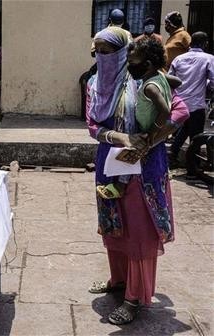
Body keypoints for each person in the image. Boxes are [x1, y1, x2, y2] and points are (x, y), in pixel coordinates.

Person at [86, 27, 175, 325]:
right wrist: (119, 137)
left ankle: (134, 297)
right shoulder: (95, 83)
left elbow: (178, 110)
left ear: (123, 52)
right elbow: (92, 125)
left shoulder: (142, 81)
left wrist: (148, 140)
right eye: (97, 51)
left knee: (138, 232)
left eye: (108, 51)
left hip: (143, 168)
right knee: (115, 224)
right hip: (110, 164)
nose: (102, 57)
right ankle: (118, 279)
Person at [96, 38, 179, 199]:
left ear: (147, 65)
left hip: (147, 129)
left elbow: (166, 110)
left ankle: (120, 186)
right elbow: (178, 81)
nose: (129, 66)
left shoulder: (149, 86)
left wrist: (153, 132)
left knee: (130, 155)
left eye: (132, 62)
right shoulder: (159, 77)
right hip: (149, 126)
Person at [168, 31, 214, 171]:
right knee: (196, 138)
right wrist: (207, 86)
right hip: (196, 104)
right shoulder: (208, 58)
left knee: (184, 131)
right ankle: (192, 168)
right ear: (205, 43)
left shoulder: (179, 59)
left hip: (179, 104)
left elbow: (169, 79)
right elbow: (213, 81)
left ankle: (172, 155)